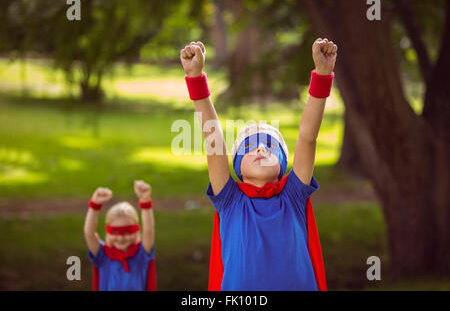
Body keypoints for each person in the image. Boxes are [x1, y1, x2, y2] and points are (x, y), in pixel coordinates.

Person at [180, 38, 337, 290]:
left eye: (270, 145)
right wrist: (196, 78)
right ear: (238, 168)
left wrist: (322, 74)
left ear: (284, 165)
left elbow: (308, 137)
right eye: (250, 146)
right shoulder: (230, 200)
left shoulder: (294, 195)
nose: (261, 148)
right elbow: (214, 144)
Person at [83, 180, 156, 291]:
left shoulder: (141, 254)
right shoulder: (103, 255)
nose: (121, 238)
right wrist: (94, 205)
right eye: (115, 232)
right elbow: (89, 233)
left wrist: (145, 201)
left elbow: (148, 231)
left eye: (127, 232)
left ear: (136, 231)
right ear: (108, 232)